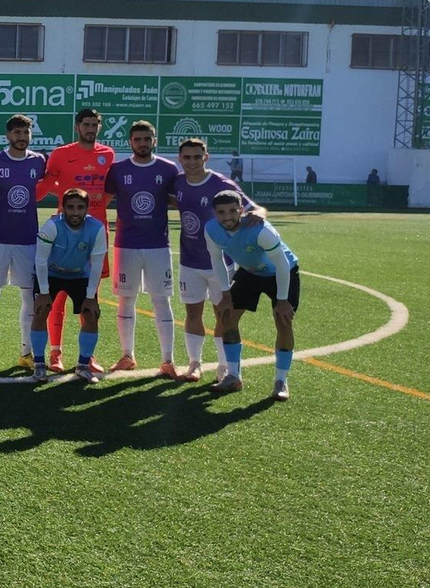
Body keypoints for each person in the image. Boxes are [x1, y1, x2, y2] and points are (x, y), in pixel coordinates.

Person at [35, 108, 114, 372]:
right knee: (55, 300)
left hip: (94, 234)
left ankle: (87, 357)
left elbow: (108, 191)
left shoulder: (108, 155)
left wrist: (98, 212)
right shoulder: (61, 155)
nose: (90, 128)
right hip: (64, 233)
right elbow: (45, 185)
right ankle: (56, 353)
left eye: (95, 124)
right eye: (86, 124)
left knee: (91, 297)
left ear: (99, 127)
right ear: (77, 126)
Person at [172, 138, 257, 382]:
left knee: (224, 314)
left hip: (222, 262)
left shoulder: (221, 184)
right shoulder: (177, 182)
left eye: (197, 157)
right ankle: (195, 364)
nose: (192, 162)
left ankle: (222, 366)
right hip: (189, 261)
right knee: (192, 313)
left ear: (206, 157)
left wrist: (258, 216)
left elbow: (252, 207)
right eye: (187, 157)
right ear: (180, 159)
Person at [204, 190, 301, 400]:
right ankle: (233, 377)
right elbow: (216, 260)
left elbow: (282, 264)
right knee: (226, 316)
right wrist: (225, 292)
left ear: (241, 210)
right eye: (221, 212)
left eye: (232, 210)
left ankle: (281, 381)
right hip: (250, 272)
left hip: (281, 273)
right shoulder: (211, 229)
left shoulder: (260, 230)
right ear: (215, 213)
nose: (227, 216)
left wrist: (283, 300)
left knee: (283, 321)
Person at [103, 120, 179, 377]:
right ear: (130, 142)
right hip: (126, 244)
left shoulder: (168, 169)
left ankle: (168, 359)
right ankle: (127, 355)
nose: (143, 143)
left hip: (158, 246)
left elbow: (179, 200)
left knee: (161, 300)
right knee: (126, 299)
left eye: (147, 139)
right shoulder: (118, 170)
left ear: (154, 141)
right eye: (138, 140)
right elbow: (102, 201)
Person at [0, 114, 46, 372]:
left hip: (28, 240)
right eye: (17, 132)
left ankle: (26, 353)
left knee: (29, 295)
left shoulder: (38, 161)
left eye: (26, 133)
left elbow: (46, 186)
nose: (21, 137)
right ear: (8, 135)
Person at [29, 189, 108, 384]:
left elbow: (97, 264)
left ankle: (82, 365)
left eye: (80, 207)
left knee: (91, 315)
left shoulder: (96, 228)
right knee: (41, 311)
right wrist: (44, 293)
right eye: (70, 207)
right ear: (62, 208)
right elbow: (40, 260)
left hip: (80, 275)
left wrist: (90, 297)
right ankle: (39, 365)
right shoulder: (51, 226)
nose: (75, 212)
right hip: (51, 274)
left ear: (87, 209)